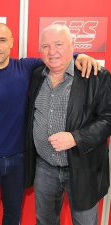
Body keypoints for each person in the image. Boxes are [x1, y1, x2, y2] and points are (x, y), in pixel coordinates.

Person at [0, 23, 100, 225]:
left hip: (18, 161)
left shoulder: (26, 68)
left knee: (13, 213)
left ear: (11, 43)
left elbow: (56, 59)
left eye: (2, 40)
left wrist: (80, 56)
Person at [25, 24, 111, 225]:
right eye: (45, 46)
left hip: (82, 168)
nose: (52, 51)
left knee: (84, 222)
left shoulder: (97, 76)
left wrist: (76, 138)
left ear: (73, 45)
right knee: (44, 221)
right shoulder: (37, 75)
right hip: (44, 167)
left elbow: (108, 118)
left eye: (58, 44)